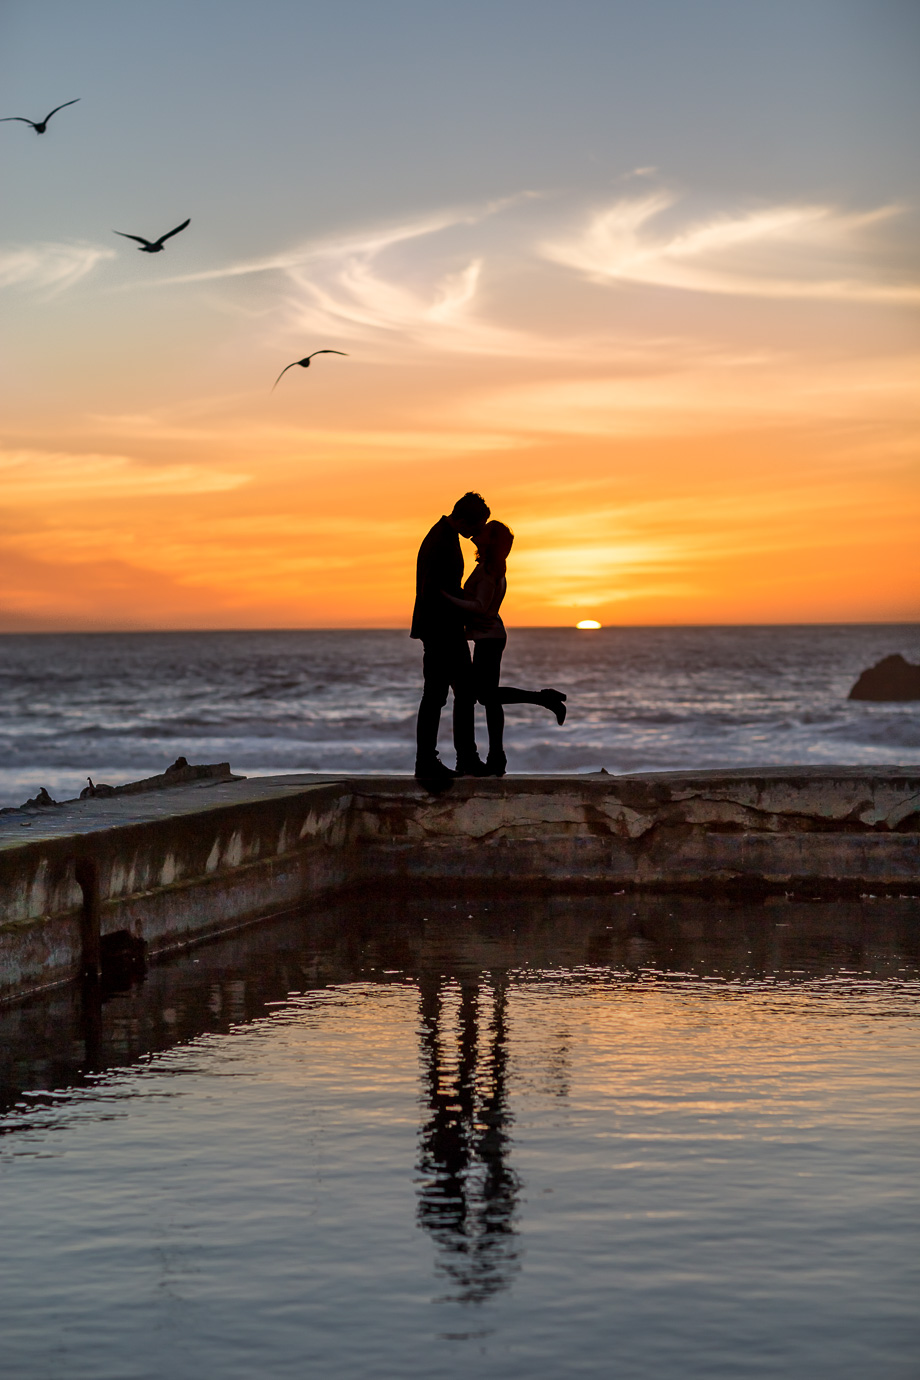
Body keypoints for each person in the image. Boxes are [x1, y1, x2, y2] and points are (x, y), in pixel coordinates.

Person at [444, 520, 566, 777]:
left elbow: (479, 607)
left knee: (486, 696)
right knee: (491, 697)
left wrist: (446, 597)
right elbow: (485, 611)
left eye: (486, 530)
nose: (479, 531)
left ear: (491, 541)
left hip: (490, 639)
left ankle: (544, 698)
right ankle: (497, 758)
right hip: (490, 636)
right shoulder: (492, 569)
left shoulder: (488, 572)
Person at [411, 492, 492, 790]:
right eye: (478, 524)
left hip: (444, 628)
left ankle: (462, 758)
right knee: (437, 696)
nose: (478, 532)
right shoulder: (441, 540)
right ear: (465, 519)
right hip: (441, 629)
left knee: (459, 693)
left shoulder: (444, 536)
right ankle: (429, 761)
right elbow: (437, 590)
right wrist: (469, 605)